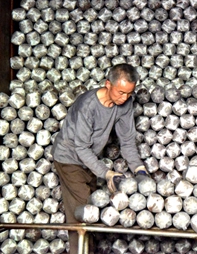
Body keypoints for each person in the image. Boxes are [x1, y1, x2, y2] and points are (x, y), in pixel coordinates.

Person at [52, 63, 148, 254]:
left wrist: (140, 169)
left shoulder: (124, 104)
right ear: (108, 84)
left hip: (89, 159)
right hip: (69, 158)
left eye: (129, 93)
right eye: (121, 92)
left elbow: (127, 142)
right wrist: (107, 174)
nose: (125, 98)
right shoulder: (87, 106)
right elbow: (81, 148)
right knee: (83, 212)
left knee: (94, 207)